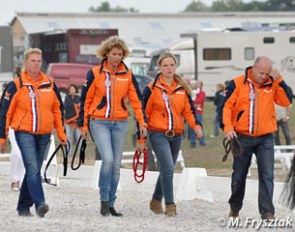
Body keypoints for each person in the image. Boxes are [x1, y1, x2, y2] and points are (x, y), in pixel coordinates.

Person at [78, 36, 147, 217]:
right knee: (107, 159)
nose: (117, 57)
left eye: (120, 54)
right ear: (106, 54)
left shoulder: (128, 75)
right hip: (99, 122)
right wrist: (83, 125)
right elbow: (85, 100)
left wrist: (142, 123)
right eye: (114, 54)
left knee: (116, 166)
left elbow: (136, 102)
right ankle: (103, 199)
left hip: (120, 123)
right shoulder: (94, 73)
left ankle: (111, 202)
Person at [221, 56, 292, 220]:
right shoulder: (237, 83)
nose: (264, 76)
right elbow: (227, 107)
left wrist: (279, 79)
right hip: (242, 137)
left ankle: (267, 212)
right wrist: (228, 128)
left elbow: (286, 100)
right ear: (253, 68)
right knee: (239, 175)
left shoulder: (272, 83)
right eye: (261, 73)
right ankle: (235, 207)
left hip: (266, 138)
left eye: (267, 73)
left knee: (267, 175)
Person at [0, 48, 68, 217]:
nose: (36, 63)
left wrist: (61, 134)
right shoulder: (16, 85)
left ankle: (23, 207)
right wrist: (2, 137)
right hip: (23, 132)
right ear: (25, 63)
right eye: (33, 60)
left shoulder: (50, 84)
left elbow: (58, 110)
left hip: (44, 134)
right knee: (32, 168)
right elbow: (5, 113)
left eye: (39, 60)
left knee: (34, 170)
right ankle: (40, 203)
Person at [142, 52, 203, 216]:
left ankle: (155, 201)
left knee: (166, 170)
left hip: (176, 135)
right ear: (159, 67)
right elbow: (143, 115)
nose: (169, 68)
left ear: (175, 67)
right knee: (168, 167)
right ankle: (170, 205)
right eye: (165, 65)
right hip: (157, 133)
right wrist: (141, 137)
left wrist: (196, 126)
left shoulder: (181, 88)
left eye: (171, 65)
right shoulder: (151, 88)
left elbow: (189, 111)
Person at [1, 81, 25, 191]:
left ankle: (22, 179)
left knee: (26, 154)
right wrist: (2, 136)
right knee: (17, 152)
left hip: (28, 126)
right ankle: (15, 179)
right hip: (13, 125)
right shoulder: (13, 86)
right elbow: (3, 110)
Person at [64, 84, 81, 155]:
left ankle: (80, 153)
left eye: (73, 89)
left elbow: (81, 107)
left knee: (79, 137)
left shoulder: (79, 98)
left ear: (76, 90)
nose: (71, 90)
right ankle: (69, 152)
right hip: (68, 120)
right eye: (70, 89)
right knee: (69, 137)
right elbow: (66, 107)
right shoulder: (67, 98)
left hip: (77, 121)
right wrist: (75, 105)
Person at [188, 80, 206, 148]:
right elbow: (189, 100)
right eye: (196, 84)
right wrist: (194, 104)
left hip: (198, 112)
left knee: (199, 126)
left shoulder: (202, 93)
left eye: (198, 84)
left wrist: (193, 103)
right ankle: (193, 142)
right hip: (191, 112)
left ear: (201, 85)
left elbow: (199, 101)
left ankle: (202, 141)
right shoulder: (192, 92)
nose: (196, 85)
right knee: (191, 127)